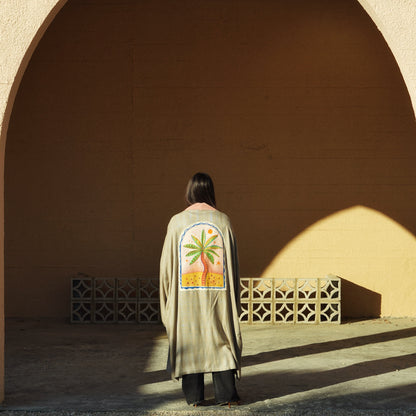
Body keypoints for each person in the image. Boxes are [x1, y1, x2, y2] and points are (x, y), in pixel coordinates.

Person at [159, 172, 242, 407]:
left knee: (190, 338)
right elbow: (233, 265)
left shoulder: (177, 222)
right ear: (211, 192)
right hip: (218, 295)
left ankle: (194, 397)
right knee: (220, 337)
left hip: (185, 298)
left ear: (190, 192)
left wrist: (167, 297)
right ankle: (227, 396)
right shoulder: (223, 221)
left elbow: (167, 266)